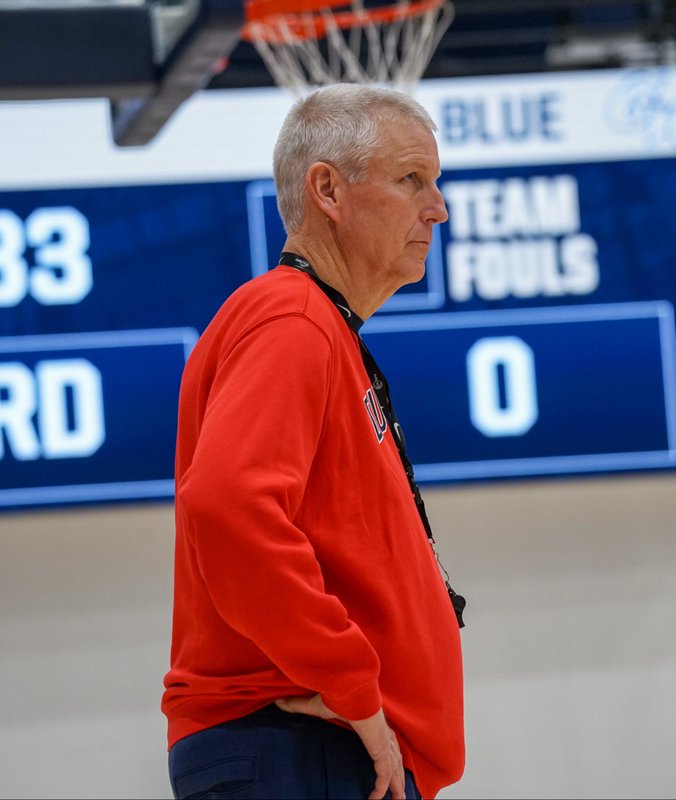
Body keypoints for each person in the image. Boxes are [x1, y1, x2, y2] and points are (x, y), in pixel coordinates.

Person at [162, 83, 465, 800]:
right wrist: (353, 687)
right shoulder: (290, 317)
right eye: (411, 179)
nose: (438, 208)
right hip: (302, 746)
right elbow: (229, 507)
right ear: (327, 189)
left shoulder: (314, 327)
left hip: (314, 749)